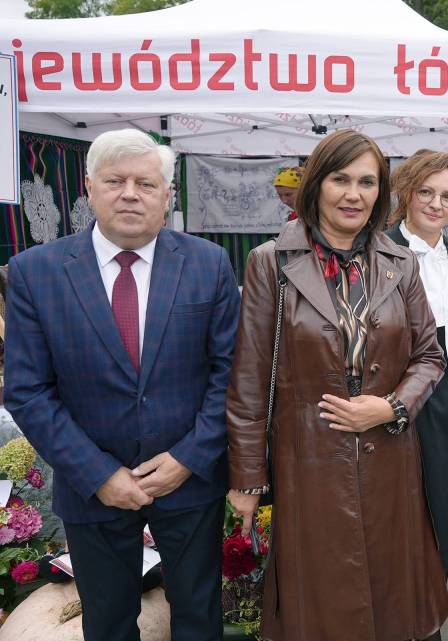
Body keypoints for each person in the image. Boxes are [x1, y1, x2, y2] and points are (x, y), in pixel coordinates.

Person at [4, 128, 241, 641]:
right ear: (89, 188)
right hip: (93, 488)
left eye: (146, 184)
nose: (131, 194)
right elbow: (27, 389)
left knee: (199, 617)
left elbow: (230, 373)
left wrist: (188, 458)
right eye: (116, 181)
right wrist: (98, 474)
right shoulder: (35, 273)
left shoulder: (209, 264)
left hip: (188, 482)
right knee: (108, 622)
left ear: (167, 196)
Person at [226, 129, 448, 641]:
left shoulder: (400, 263)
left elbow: (429, 355)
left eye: (367, 182)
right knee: (319, 604)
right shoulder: (271, 262)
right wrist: (246, 479)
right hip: (307, 462)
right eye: (340, 179)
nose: (354, 194)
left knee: (391, 601)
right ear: (316, 185)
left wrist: (392, 406)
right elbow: (249, 380)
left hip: (390, 459)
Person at [384, 150, 448, 574]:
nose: (437, 204)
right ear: (405, 191)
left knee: (443, 517)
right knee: (403, 520)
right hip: (401, 401)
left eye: (447, 197)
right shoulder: (379, 253)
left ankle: (434, 604)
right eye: (426, 192)